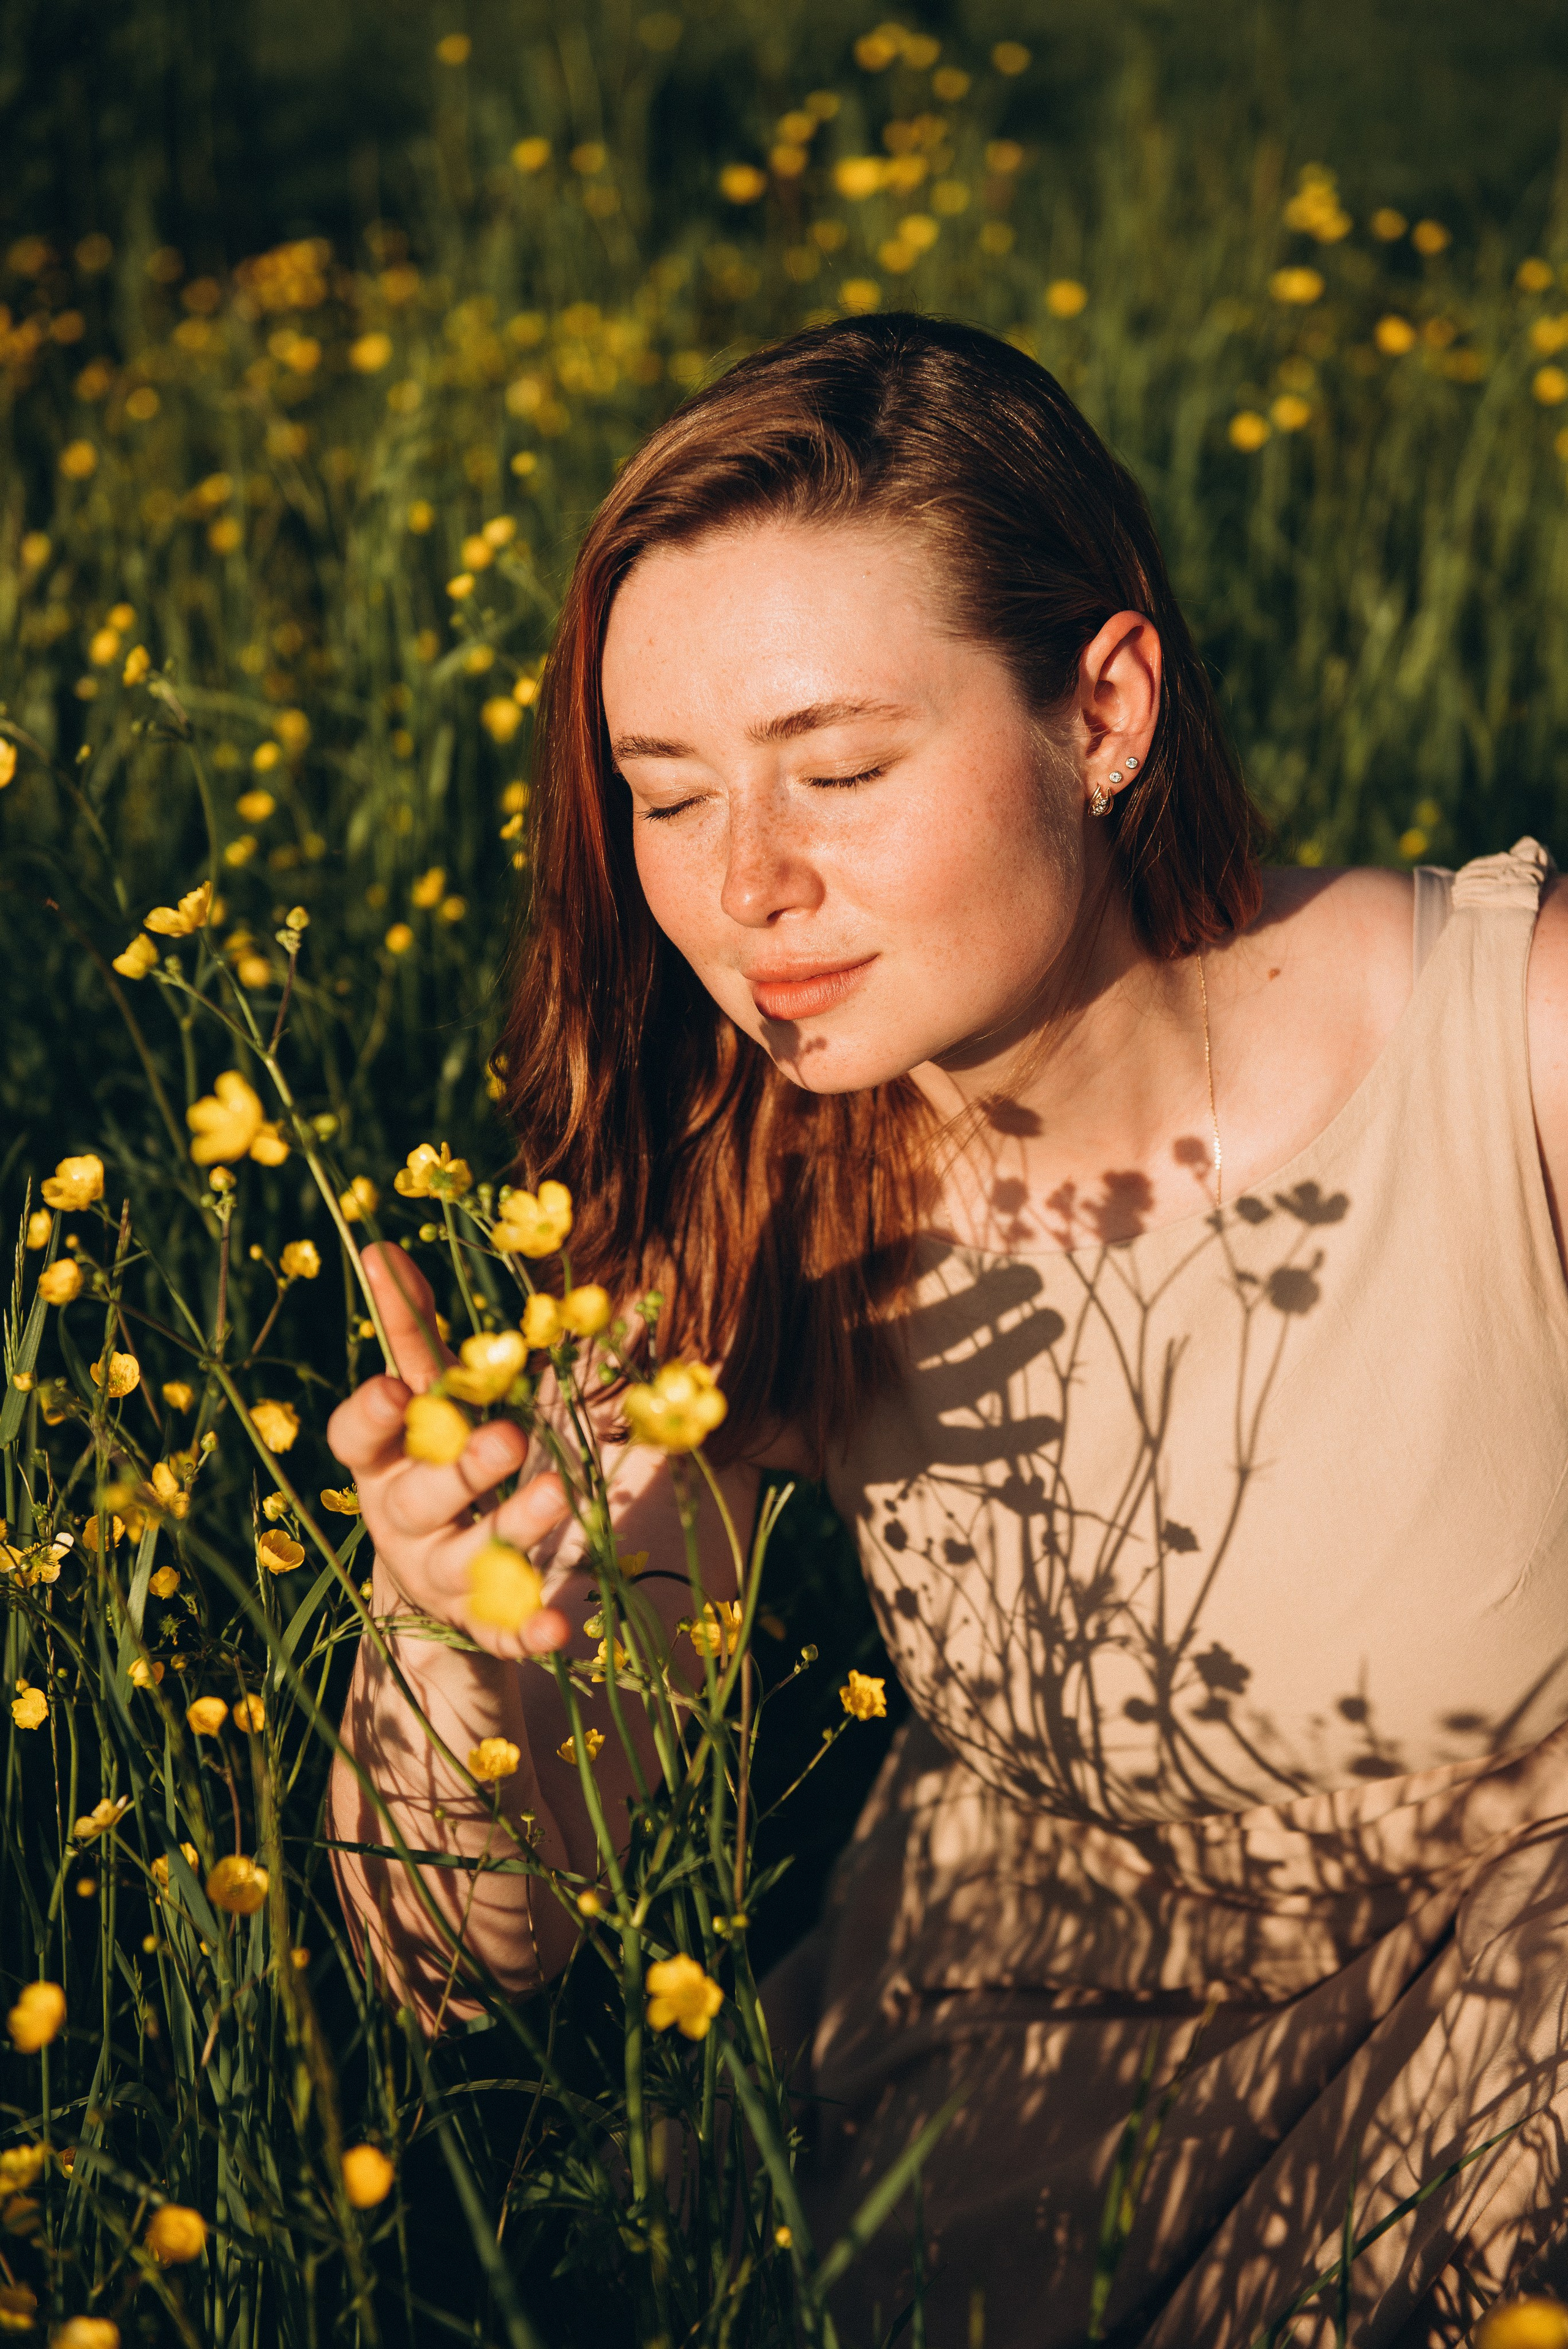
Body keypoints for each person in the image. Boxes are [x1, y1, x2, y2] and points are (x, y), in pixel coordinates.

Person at [326, 314, 1568, 2347]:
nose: (744, 886)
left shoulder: (1516, 1050)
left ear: (1104, 709)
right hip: (1026, 2128)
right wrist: (462, 1668)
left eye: (839, 769)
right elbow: (460, 1950)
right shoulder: (750, 1208)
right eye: (665, 794)